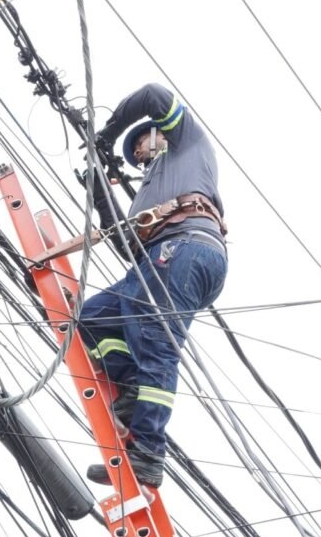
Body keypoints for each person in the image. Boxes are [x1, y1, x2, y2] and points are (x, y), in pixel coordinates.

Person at [80, 82, 228, 487]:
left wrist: (107, 133)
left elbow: (153, 94)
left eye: (140, 145)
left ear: (158, 133)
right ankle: (131, 386)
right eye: (133, 156)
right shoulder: (147, 192)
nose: (138, 156)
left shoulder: (186, 144)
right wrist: (98, 192)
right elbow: (129, 247)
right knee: (91, 319)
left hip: (185, 248)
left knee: (156, 345)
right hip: (156, 260)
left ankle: (148, 451)